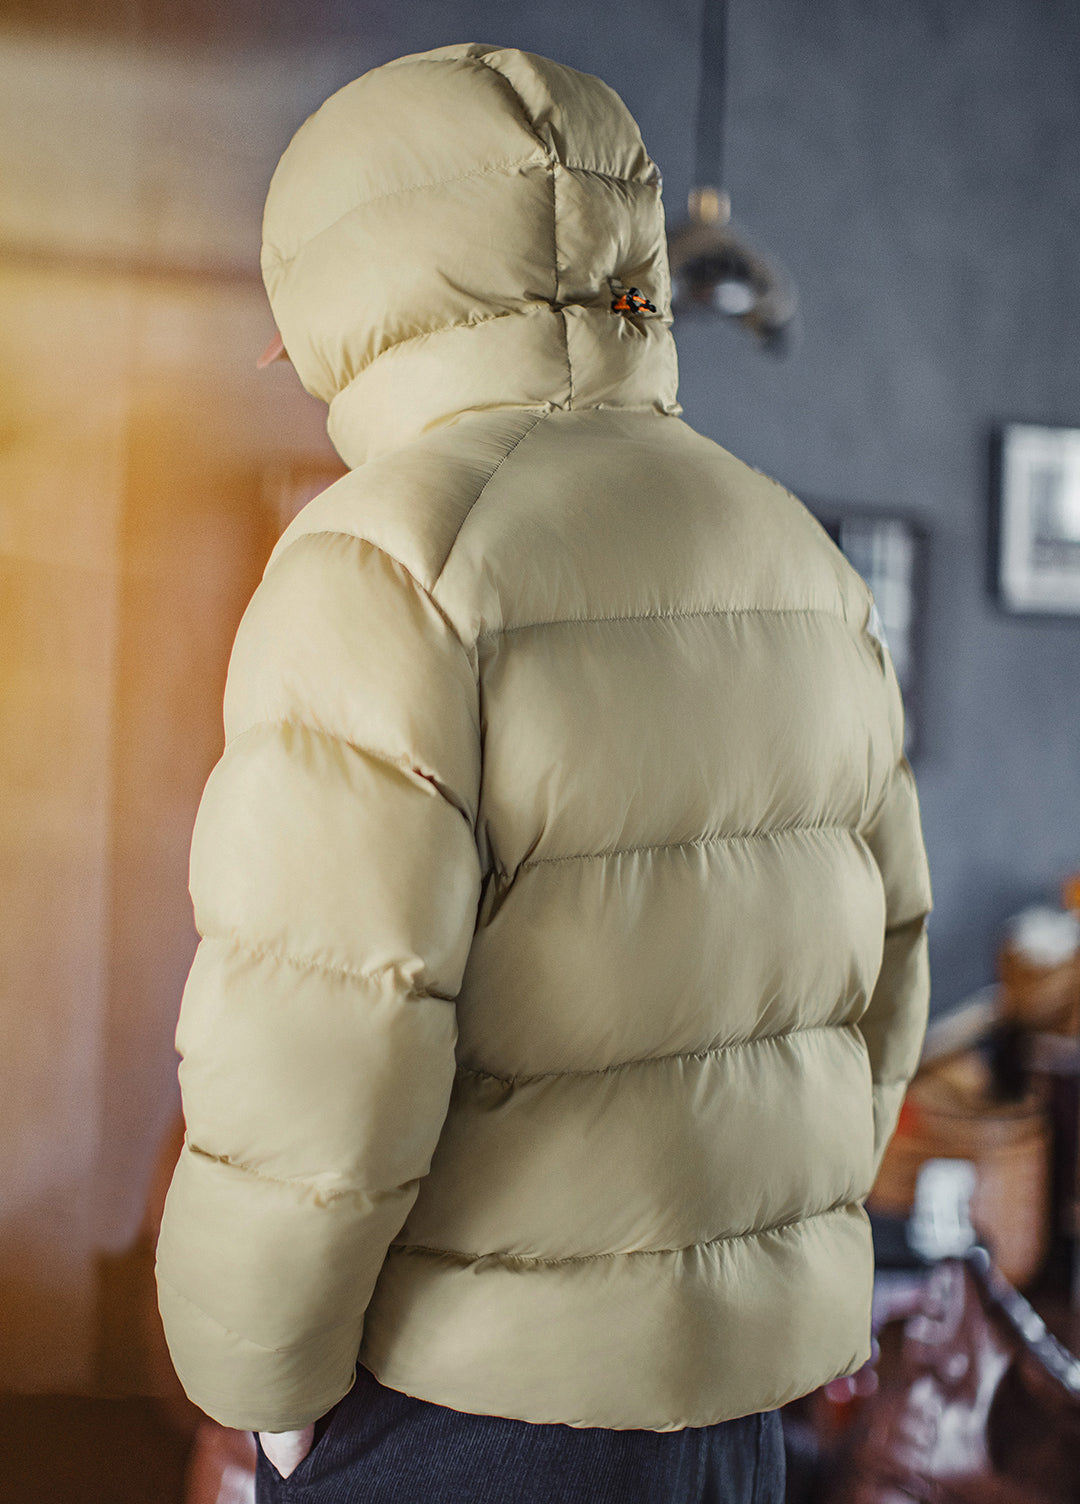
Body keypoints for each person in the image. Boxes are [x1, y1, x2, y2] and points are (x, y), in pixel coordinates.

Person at [154, 41, 933, 1504]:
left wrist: (261, 1384)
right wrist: (742, 1272)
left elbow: (321, 1035)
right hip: (735, 1428)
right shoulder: (800, 558)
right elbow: (884, 979)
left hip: (465, 1409)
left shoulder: (389, 556)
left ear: (351, 292)